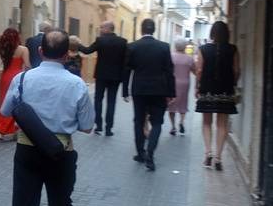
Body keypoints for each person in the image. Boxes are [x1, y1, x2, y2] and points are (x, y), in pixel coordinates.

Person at [1, 30, 94, 206]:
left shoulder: (21, 79)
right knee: (61, 204)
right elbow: (87, 126)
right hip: (60, 153)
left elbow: (6, 109)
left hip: (26, 150)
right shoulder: (76, 84)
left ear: (40, 52)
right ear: (66, 55)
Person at [122, 19, 175, 171]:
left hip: (139, 90)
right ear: (154, 30)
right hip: (159, 90)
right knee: (157, 122)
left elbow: (127, 70)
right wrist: (171, 92)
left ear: (141, 30)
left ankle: (140, 153)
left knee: (139, 121)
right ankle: (150, 153)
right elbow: (169, 71)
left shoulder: (133, 46)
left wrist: (125, 91)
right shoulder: (164, 47)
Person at [195, 21, 240, 171]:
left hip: (207, 89)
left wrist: (197, 86)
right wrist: (232, 83)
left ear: (212, 33)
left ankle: (208, 152)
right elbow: (236, 71)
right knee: (222, 124)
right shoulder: (233, 49)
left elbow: (199, 70)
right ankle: (218, 158)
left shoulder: (203, 49)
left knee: (206, 122)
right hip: (225, 90)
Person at [78, 21, 127, 136]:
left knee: (98, 100)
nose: (100, 29)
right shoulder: (122, 42)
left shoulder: (100, 40)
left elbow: (87, 51)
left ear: (108, 28)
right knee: (111, 102)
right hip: (116, 77)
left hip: (101, 76)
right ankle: (109, 129)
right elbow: (125, 61)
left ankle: (99, 126)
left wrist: (77, 44)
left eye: (102, 27)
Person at [0, 28, 31, 140]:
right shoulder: (23, 49)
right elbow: (28, 66)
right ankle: (11, 129)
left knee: (3, 101)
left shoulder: (4, 49)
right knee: (15, 102)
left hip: (5, 76)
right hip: (17, 77)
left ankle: (3, 129)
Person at [168, 37, 195, 136]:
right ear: (185, 47)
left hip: (173, 83)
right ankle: (181, 122)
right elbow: (195, 71)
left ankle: (173, 127)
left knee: (172, 105)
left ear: (175, 46)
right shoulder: (189, 58)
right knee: (183, 104)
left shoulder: (170, 57)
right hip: (185, 83)